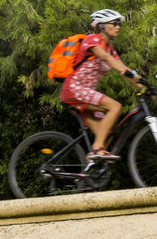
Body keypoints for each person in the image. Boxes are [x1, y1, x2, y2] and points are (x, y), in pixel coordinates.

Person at [59, 9, 144, 162]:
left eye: (119, 24)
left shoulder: (110, 49)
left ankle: (87, 178)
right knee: (115, 107)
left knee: (107, 134)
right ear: (102, 26)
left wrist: (142, 86)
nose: (118, 26)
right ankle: (97, 149)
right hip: (74, 89)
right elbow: (105, 58)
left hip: (85, 94)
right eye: (115, 23)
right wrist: (122, 69)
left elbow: (123, 68)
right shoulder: (92, 40)